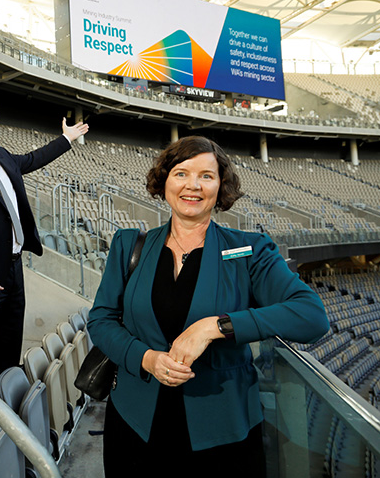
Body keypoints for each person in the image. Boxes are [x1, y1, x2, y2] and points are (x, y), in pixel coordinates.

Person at [87, 136, 329, 476]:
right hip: (135, 422)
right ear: (165, 181)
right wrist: (146, 358)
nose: (193, 185)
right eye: (181, 173)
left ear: (221, 185)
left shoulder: (250, 250)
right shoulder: (128, 244)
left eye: (206, 175)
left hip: (224, 430)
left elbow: (312, 316)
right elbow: (101, 320)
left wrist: (215, 327)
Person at [0, 98, 88, 391]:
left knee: (8, 349)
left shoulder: (2, 156)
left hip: (14, 270)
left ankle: (2, 417)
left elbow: (33, 159)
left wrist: (66, 139)